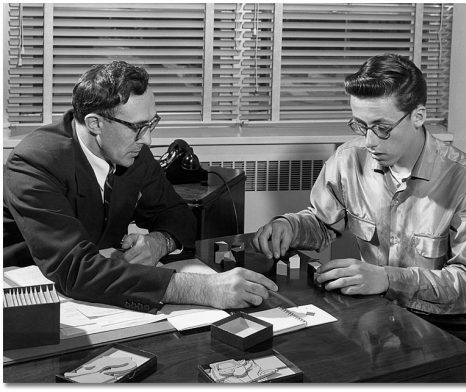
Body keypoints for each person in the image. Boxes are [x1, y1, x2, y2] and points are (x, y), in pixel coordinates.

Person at [4, 60, 277, 313]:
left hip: (107, 290)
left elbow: (177, 213)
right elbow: (75, 269)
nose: (147, 140)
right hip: (33, 301)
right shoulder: (33, 163)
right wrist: (202, 288)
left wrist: (160, 242)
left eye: (152, 123)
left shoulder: (131, 149)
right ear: (95, 123)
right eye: (138, 127)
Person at [253, 53, 466, 315]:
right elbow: (322, 223)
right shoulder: (348, 158)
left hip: (447, 325)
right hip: (377, 313)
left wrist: (388, 279)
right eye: (360, 126)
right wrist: (289, 226)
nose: (369, 142)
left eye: (382, 128)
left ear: (418, 116)